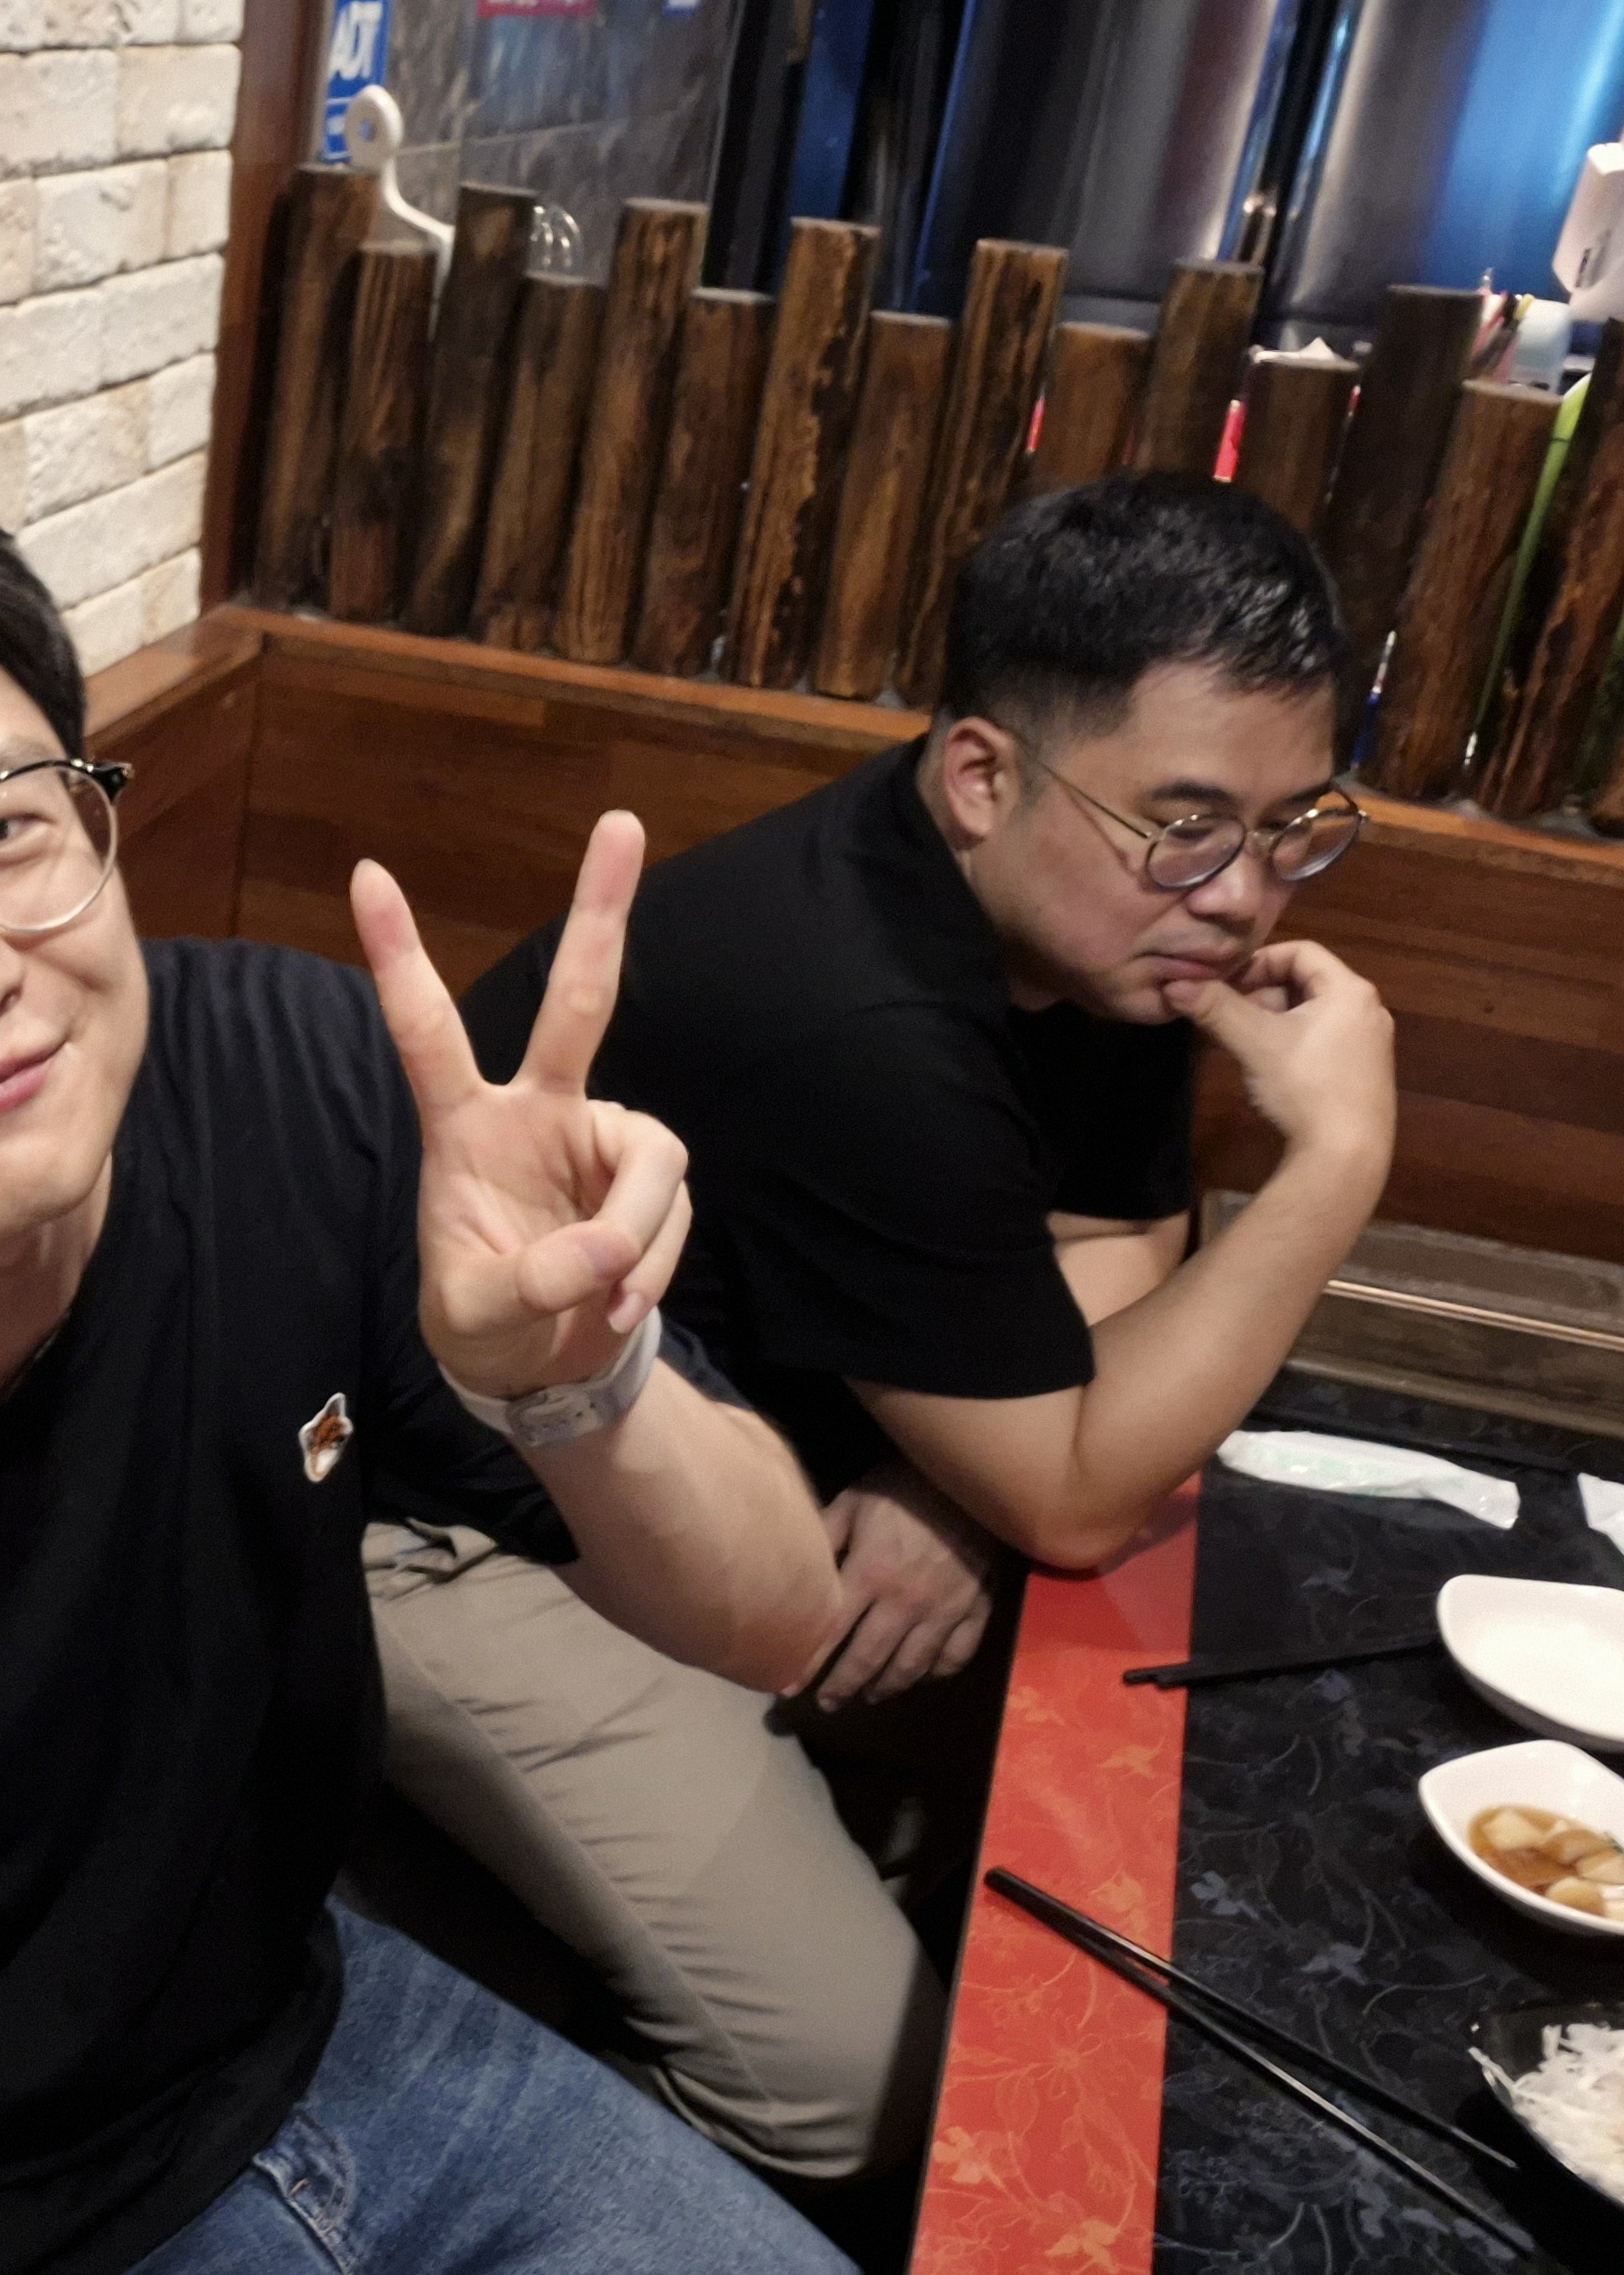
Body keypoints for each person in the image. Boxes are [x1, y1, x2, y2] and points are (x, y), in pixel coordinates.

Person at [0, 474, 855, 2275]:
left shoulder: (295, 1082)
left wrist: (580, 1385)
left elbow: (781, 1620)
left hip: (341, 2034)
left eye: (2, 829)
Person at [396, 473, 1398, 2197]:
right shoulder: (856, 1015)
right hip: (449, 1507)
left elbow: (1109, 1243)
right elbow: (1080, 1492)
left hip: (705, 1452)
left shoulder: (1094, 913)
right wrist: (1336, 1167)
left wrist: (964, 1475)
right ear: (984, 773)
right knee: (876, 2101)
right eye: (1189, 825)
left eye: (1292, 825)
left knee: (1061, 1826)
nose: (1244, 896)